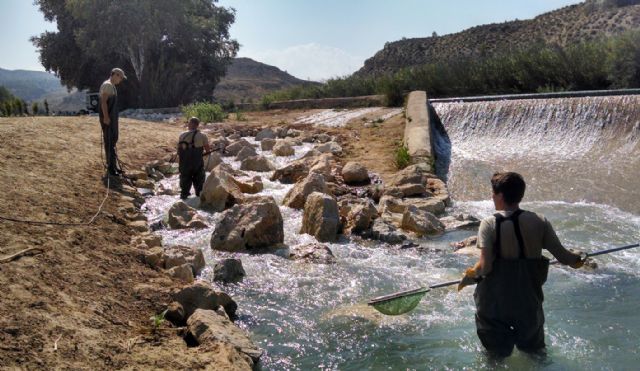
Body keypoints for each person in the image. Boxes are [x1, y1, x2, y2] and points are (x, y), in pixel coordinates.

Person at [460, 171, 585, 357]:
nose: (492, 197)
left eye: (493, 193)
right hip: (528, 303)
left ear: (500, 195)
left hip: (494, 305)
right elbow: (566, 258)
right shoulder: (540, 221)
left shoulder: (489, 223)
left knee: (496, 357)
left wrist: (468, 276)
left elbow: (485, 268)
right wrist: (580, 258)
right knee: (535, 355)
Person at [99, 68, 126, 176]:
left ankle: (114, 166)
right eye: (121, 77)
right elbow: (104, 103)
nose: (121, 80)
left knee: (113, 141)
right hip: (108, 119)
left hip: (113, 118)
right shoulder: (107, 85)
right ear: (115, 75)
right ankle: (111, 168)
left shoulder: (112, 86)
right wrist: (106, 117)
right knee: (109, 141)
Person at [178, 117, 211, 199]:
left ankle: (184, 196)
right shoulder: (203, 136)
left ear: (190, 124)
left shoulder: (182, 135)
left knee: (185, 178)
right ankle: (199, 196)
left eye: (189, 123)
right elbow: (207, 151)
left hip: (185, 162)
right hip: (197, 162)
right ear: (197, 125)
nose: (188, 124)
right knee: (199, 179)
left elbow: (179, 150)